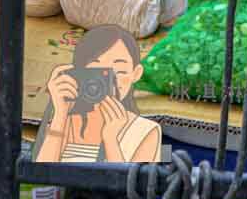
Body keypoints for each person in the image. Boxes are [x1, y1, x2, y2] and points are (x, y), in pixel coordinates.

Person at [33, 25, 162, 165]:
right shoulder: (62, 120)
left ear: (135, 74)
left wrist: (111, 139)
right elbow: (42, 173)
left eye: (119, 71)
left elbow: (129, 184)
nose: (108, 84)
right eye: (97, 73)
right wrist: (60, 113)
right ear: (77, 73)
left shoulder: (146, 130)